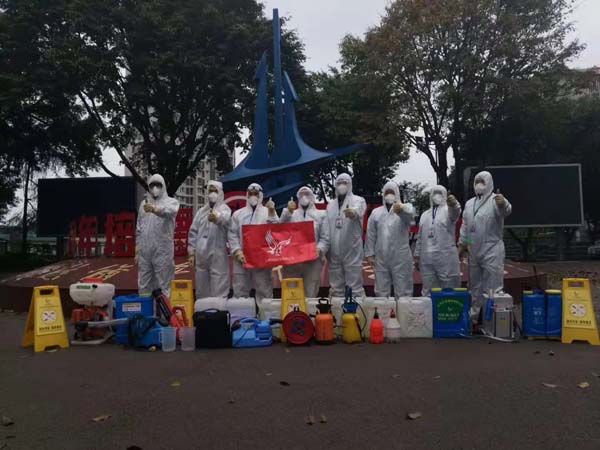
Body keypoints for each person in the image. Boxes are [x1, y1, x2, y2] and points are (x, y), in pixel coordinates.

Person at [459, 171, 512, 320]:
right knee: (475, 287)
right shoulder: (469, 204)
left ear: (489, 183)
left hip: (492, 249)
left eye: (482, 182)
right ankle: (475, 317)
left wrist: (504, 203)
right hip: (473, 250)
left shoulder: (496, 200)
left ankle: (493, 320)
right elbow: (466, 226)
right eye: (477, 182)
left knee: (493, 286)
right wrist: (463, 244)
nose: (479, 185)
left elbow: (506, 210)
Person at [228, 183, 279, 302]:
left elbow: (276, 228)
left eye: (255, 194)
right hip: (242, 258)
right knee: (240, 289)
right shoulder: (238, 214)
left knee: (264, 289)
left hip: (262, 258)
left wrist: (272, 212)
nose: (253, 196)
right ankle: (242, 313)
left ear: (260, 195)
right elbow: (232, 234)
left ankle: (265, 313)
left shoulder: (267, 212)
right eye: (250, 194)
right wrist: (237, 251)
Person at [365, 181, 415, 298]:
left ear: (397, 193)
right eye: (387, 192)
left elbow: (411, 220)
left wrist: (402, 210)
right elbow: (371, 234)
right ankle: (383, 309)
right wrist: (369, 254)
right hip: (381, 256)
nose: (389, 195)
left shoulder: (406, 208)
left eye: (392, 192)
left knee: (403, 288)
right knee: (381, 289)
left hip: (401, 256)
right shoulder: (376, 213)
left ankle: (404, 309)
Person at [135, 174, 180, 297]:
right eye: (152, 185)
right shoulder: (143, 205)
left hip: (162, 251)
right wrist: (137, 248)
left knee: (164, 284)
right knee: (144, 284)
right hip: (145, 252)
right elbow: (139, 228)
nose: (155, 188)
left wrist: (155, 209)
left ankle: (164, 309)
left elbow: (170, 211)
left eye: (158, 185)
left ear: (163, 186)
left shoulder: (171, 202)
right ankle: (146, 308)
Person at [280, 186, 330, 298]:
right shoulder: (289, 214)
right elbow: (279, 231)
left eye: (306, 194)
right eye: (301, 195)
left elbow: (325, 238)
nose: (304, 197)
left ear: (312, 196)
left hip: (313, 261)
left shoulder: (321, 214)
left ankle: (310, 309)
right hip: (292, 261)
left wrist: (319, 249)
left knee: (310, 292)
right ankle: (292, 310)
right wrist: (287, 212)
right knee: (291, 293)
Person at [414, 185, 462, 296]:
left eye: (440, 193)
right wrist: (417, 255)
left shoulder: (448, 211)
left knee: (449, 288)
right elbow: (420, 237)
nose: (437, 196)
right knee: (428, 289)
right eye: (435, 193)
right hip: (427, 258)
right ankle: (429, 307)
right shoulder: (425, 215)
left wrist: (454, 204)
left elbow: (456, 212)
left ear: (444, 195)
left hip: (445, 257)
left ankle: (449, 307)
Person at [188, 181, 231, 299]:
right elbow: (193, 232)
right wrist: (191, 253)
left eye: (215, 191)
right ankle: (203, 309)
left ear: (220, 193)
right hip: (201, 255)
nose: (212, 194)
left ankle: (218, 309)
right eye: (210, 191)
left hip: (218, 255)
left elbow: (225, 219)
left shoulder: (225, 209)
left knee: (219, 286)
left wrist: (217, 217)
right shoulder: (201, 212)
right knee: (201, 288)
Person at [326, 173, 367, 298]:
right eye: (339, 183)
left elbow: (358, 210)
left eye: (345, 183)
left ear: (350, 185)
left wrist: (353, 212)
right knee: (335, 287)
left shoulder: (358, 200)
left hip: (352, 250)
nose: (341, 186)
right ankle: (336, 309)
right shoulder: (330, 206)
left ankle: (357, 309)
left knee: (354, 287)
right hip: (334, 252)